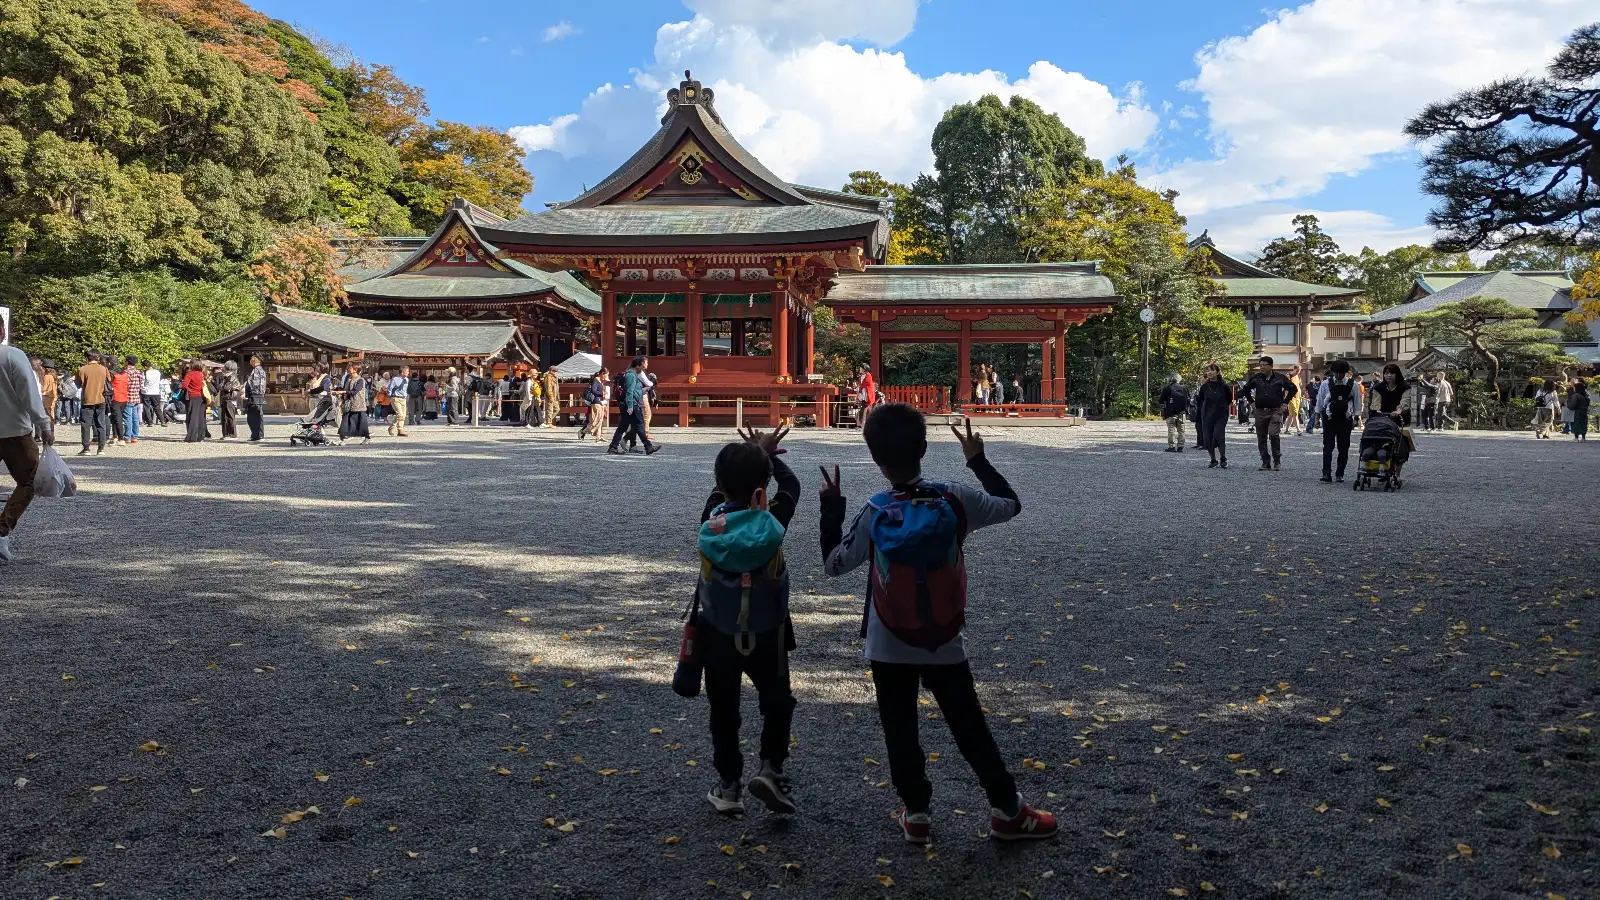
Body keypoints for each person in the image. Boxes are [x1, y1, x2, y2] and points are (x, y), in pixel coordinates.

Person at [820, 407, 1056, 845]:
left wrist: (830, 508)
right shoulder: (954, 498)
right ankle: (1008, 810)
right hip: (944, 636)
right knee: (968, 724)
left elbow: (834, 564)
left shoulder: (875, 510)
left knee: (900, 728)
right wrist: (977, 459)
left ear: (875, 458)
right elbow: (1011, 504)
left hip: (887, 639)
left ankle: (918, 813)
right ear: (924, 449)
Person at [695, 425, 801, 816]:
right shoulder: (773, 520)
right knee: (777, 700)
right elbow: (792, 486)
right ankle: (771, 768)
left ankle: (729, 785)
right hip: (769, 630)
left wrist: (752, 456)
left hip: (718, 630)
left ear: (720, 484)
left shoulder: (713, 521)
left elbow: (719, 491)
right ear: (765, 484)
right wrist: (768, 457)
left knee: (723, 708)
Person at [0, 315, 54, 563]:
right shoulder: (12, 356)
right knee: (30, 480)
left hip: (14, 432)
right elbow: (29, 394)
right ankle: (2, 530)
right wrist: (44, 424)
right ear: (2, 331)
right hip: (15, 432)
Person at [1240, 356, 1297, 471]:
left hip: (1275, 410)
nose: (1262, 367)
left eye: (1264, 365)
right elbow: (1245, 389)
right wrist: (1251, 402)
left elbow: (1293, 389)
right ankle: (1265, 461)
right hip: (1260, 410)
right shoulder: (1256, 378)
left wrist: (1286, 402)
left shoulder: (1280, 378)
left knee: (1273, 434)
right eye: (1260, 365)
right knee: (1261, 437)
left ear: (1271, 366)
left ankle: (1277, 460)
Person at [1315, 360, 1363, 484]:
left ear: (1346, 373)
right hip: (1329, 417)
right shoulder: (1326, 383)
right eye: (1336, 373)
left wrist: (1356, 418)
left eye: (1341, 373)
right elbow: (1320, 401)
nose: (1338, 375)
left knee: (1343, 448)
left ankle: (1340, 474)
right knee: (1328, 446)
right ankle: (1326, 473)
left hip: (1345, 418)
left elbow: (1358, 402)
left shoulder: (1353, 384)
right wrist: (1317, 417)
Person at [1366, 363, 1413, 477]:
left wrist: (1398, 411)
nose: (1389, 376)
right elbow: (1376, 402)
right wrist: (1377, 410)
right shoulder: (1378, 387)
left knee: (1401, 444)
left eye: (1392, 373)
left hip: (1399, 418)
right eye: (1386, 373)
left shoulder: (1405, 387)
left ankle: (1397, 473)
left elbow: (1405, 401)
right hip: (1381, 417)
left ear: (1397, 374)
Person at [608, 356, 660, 455]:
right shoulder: (631, 375)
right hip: (631, 404)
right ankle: (648, 446)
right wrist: (631, 406)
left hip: (628, 403)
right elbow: (630, 392)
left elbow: (634, 390)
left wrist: (644, 390)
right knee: (639, 425)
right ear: (637, 365)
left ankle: (613, 446)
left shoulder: (632, 374)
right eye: (643, 364)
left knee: (625, 426)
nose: (645, 366)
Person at [1194, 363, 1233, 468]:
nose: (1209, 372)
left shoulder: (1224, 386)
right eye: (1208, 370)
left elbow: (1229, 399)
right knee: (1208, 437)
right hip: (1207, 415)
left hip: (1221, 415)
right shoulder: (1204, 387)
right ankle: (1213, 459)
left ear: (1218, 372)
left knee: (1218, 435)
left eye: (1212, 370)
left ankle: (1223, 458)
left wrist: (1223, 407)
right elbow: (1200, 400)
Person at [77, 350, 111, 456]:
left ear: (87, 358)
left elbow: (78, 384)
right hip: (101, 399)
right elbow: (109, 381)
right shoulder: (104, 369)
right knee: (101, 424)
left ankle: (86, 448)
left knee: (85, 424)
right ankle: (101, 448)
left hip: (87, 400)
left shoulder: (82, 369)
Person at [1158, 373, 1190, 452]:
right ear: (1180, 379)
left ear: (1170, 379)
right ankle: (1180, 446)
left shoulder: (1167, 388)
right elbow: (1189, 399)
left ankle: (1171, 446)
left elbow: (1161, 401)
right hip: (1182, 412)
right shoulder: (1185, 388)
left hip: (1170, 412)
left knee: (1171, 429)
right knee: (1181, 430)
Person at [339, 365, 371, 444]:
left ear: (355, 370)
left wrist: (343, 392)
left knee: (362, 422)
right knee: (345, 421)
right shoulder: (348, 378)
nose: (348, 369)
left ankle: (367, 438)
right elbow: (344, 388)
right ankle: (342, 438)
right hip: (348, 404)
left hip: (358, 404)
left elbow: (355, 391)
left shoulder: (360, 380)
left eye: (350, 368)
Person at [182, 361, 209, 443]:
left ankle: (191, 437)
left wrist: (190, 389)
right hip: (202, 396)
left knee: (193, 417)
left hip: (193, 396)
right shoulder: (201, 374)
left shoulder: (190, 374)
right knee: (201, 417)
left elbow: (184, 385)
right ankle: (201, 436)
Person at [244, 355, 268, 441]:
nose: (250, 361)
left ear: (254, 360)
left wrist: (247, 392)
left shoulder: (256, 370)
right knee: (258, 416)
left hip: (255, 395)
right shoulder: (261, 370)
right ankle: (258, 435)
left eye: (251, 359)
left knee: (253, 416)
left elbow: (254, 384)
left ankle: (256, 435)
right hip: (258, 395)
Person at [215, 361, 241, 440]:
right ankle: (226, 434)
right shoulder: (226, 376)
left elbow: (226, 388)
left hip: (229, 398)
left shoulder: (231, 376)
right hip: (226, 398)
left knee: (229, 416)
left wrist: (221, 387)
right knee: (225, 416)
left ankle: (232, 434)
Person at [582, 368, 608, 442]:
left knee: (600, 420)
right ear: (602, 373)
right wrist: (602, 393)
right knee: (596, 419)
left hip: (600, 402)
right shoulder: (595, 380)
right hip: (595, 402)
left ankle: (598, 437)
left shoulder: (599, 381)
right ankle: (583, 431)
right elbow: (593, 390)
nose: (606, 377)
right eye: (606, 375)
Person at [386, 366, 411, 437]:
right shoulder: (395, 379)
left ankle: (400, 430)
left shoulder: (406, 379)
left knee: (403, 415)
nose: (408, 373)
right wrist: (390, 396)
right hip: (396, 398)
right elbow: (389, 388)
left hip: (403, 398)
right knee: (399, 414)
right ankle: (392, 427)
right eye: (407, 371)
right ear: (402, 372)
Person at [38, 360, 58, 428]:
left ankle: (48, 430)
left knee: (47, 415)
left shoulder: (47, 377)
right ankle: (51, 432)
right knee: (51, 414)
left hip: (46, 397)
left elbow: (44, 388)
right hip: (52, 397)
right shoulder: (53, 376)